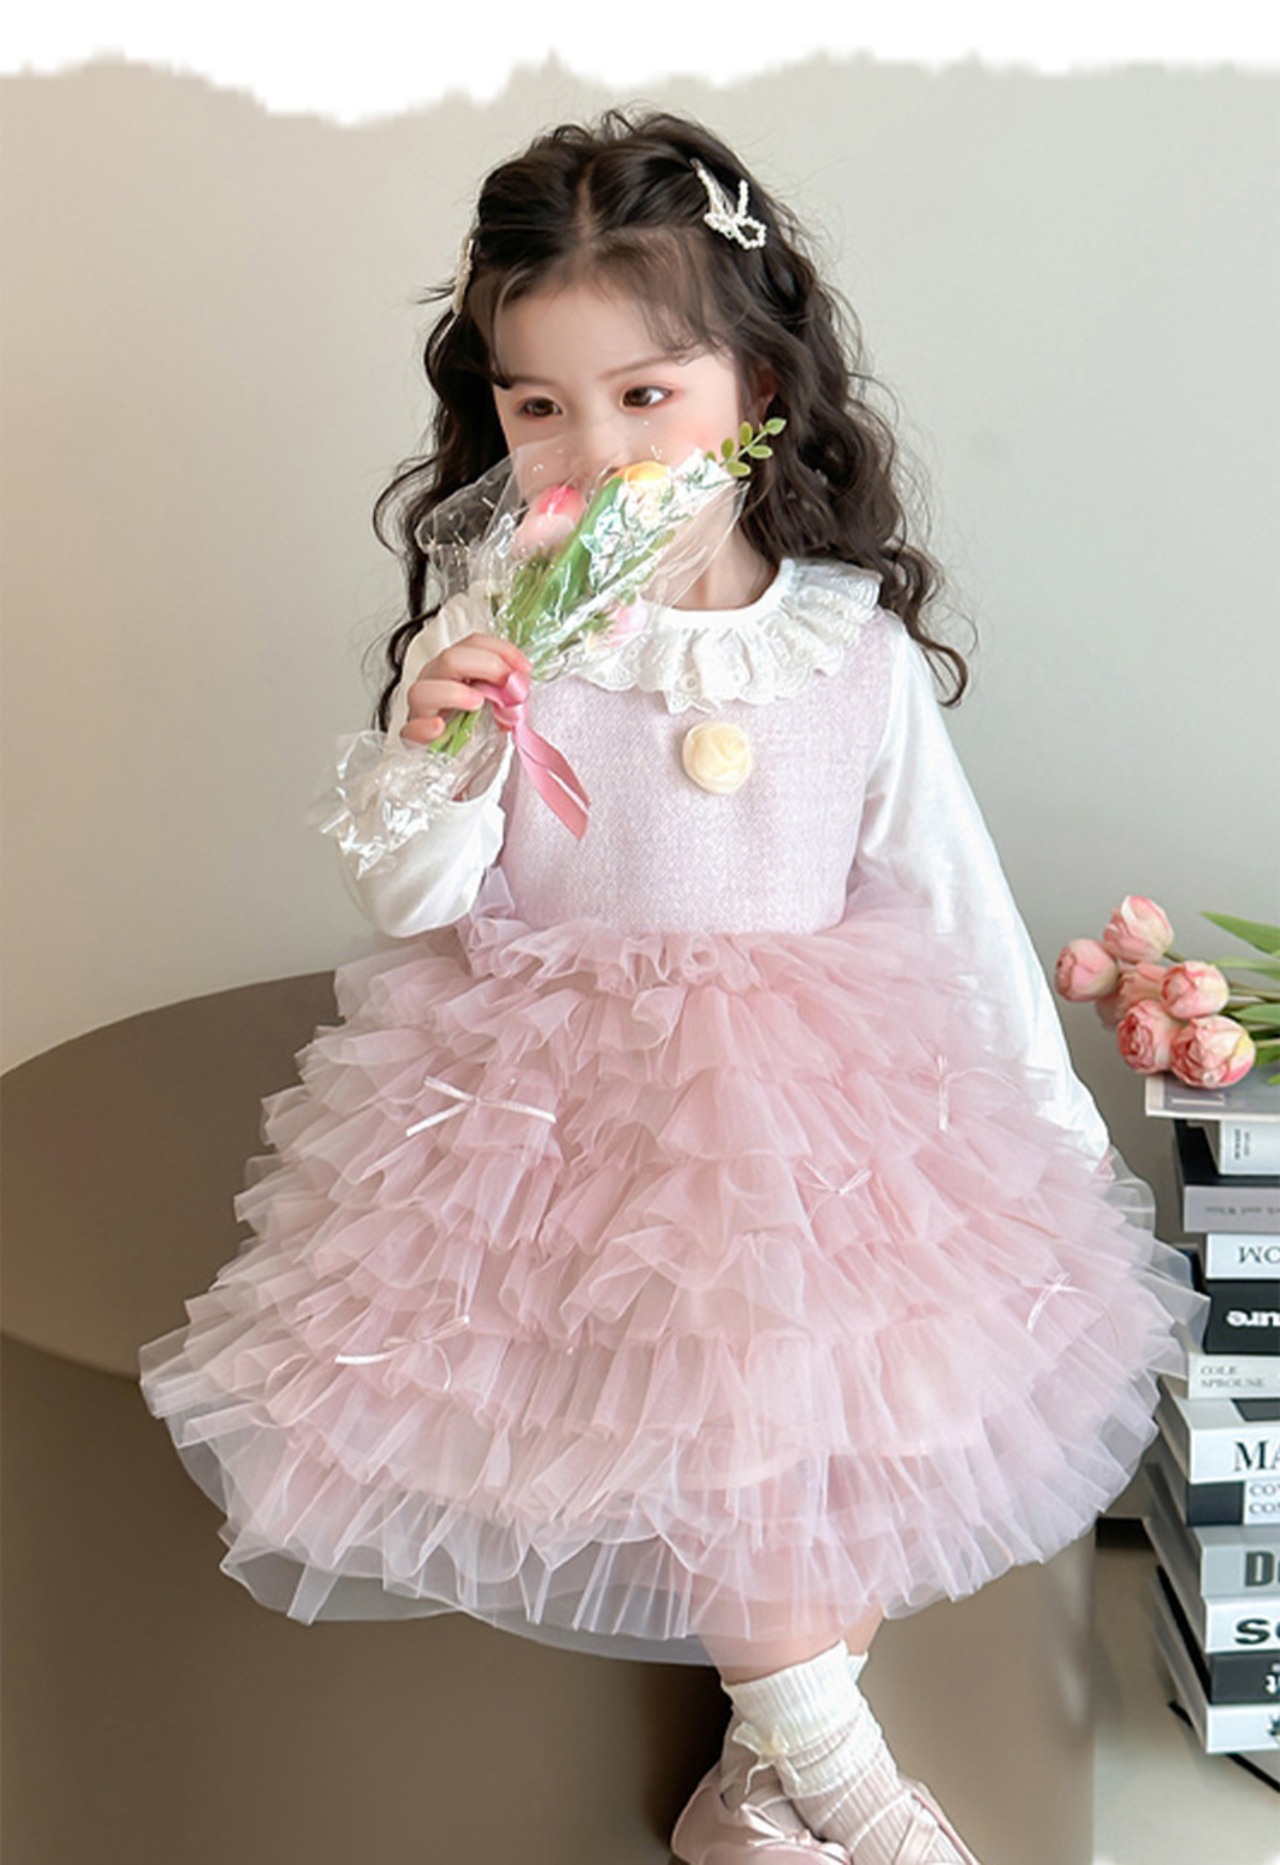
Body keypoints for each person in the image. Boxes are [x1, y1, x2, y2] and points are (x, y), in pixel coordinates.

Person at [138, 110, 1203, 1864]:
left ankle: (755, 1786)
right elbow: (415, 893)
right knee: (714, 1388)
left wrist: (1049, 1149)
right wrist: (439, 737)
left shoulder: (846, 648)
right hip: (562, 1112)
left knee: (840, 1416)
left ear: (755, 384)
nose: (597, 447)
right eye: (538, 406)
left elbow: (954, 902)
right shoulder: (506, 623)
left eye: (648, 394)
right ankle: (847, 1785)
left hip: (817, 1111)